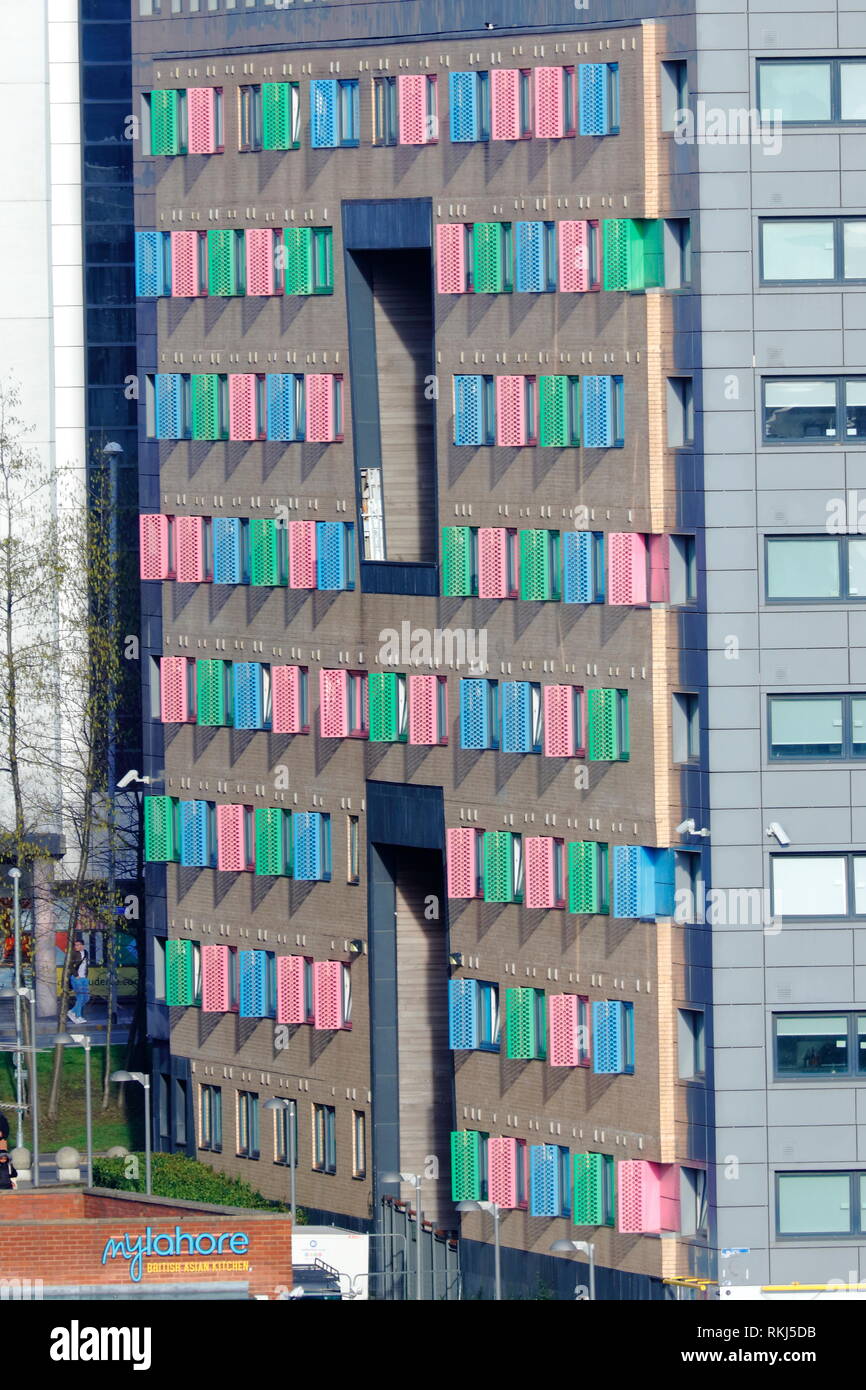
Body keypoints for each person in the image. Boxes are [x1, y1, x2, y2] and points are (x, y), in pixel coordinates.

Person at [68, 936, 90, 1023]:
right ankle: (78, 1016)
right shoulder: (73, 953)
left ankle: (72, 1011)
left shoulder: (86, 952)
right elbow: (69, 965)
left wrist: (85, 975)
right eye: (75, 945)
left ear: (82, 945)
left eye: (78, 945)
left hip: (84, 978)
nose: (76, 947)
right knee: (80, 997)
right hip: (77, 978)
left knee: (86, 998)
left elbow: (85, 965)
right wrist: (76, 975)